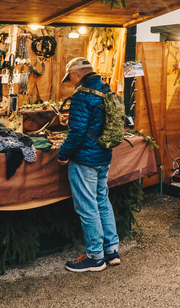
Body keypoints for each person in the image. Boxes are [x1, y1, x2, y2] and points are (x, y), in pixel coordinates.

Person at [57, 57, 120, 272]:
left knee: (87, 207)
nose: (71, 82)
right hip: (103, 156)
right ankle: (111, 250)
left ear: (76, 74)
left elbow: (76, 133)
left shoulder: (82, 94)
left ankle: (95, 256)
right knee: (102, 201)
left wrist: (63, 153)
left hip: (85, 159)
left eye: (71, 78)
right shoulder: (105, 88)